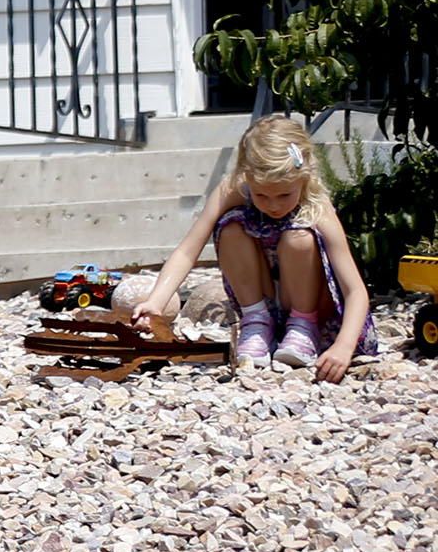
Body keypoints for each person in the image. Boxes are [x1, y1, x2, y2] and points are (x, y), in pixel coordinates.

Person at [130, 114, 375, 379]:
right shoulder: (233, 190)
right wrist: (156, 302)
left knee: (299, 237)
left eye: (284, 195)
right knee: (230, 227)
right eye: (261, 195)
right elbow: (188, 250)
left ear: (303, 177)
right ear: (245, 175)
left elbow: (355, 290)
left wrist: (344, 346)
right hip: (268, 300)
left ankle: (303, 327)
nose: (273, 205)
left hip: (312, 307)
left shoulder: (316, 204)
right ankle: (257, 322)